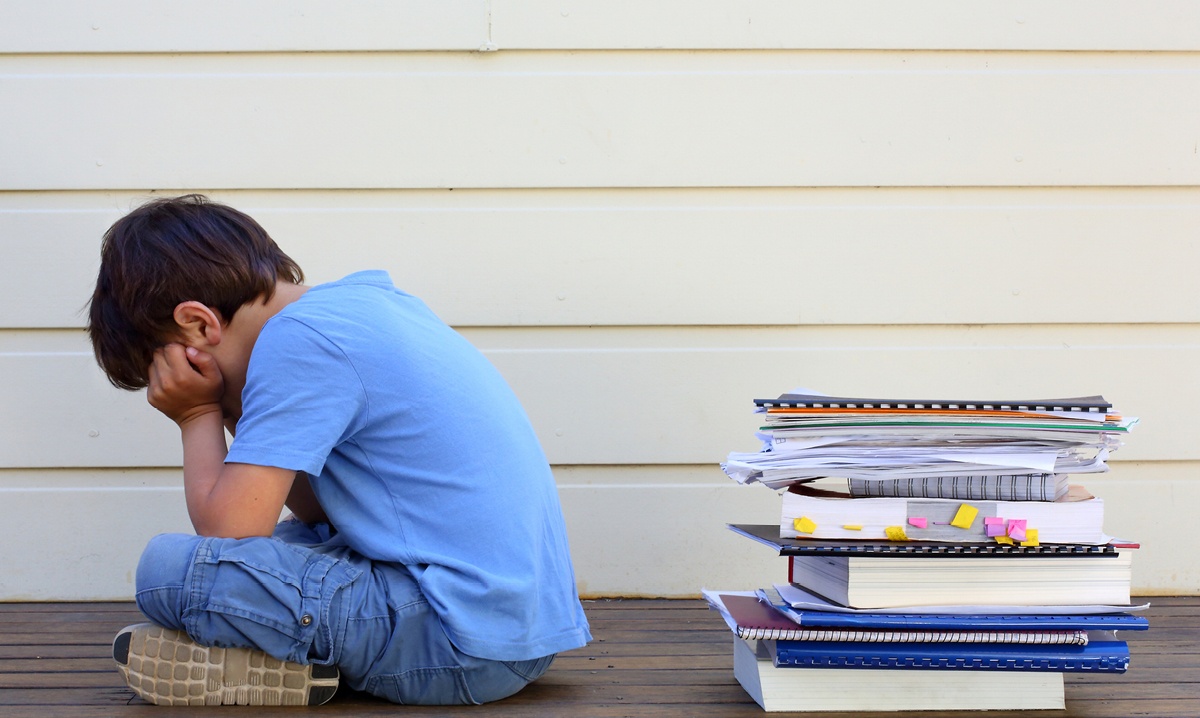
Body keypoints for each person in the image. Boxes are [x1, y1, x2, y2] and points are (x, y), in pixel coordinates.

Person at [87, 194, 591, 706]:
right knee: (290, 541)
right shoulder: (362, 307)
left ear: (198, 325)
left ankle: (273, 661)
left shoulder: (297, 342)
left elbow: (228, 533)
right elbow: (325, 512)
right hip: (516, 628)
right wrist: (241, 413)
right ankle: (282, 664)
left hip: (455, 641)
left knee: (168, 572)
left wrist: (197, 415)